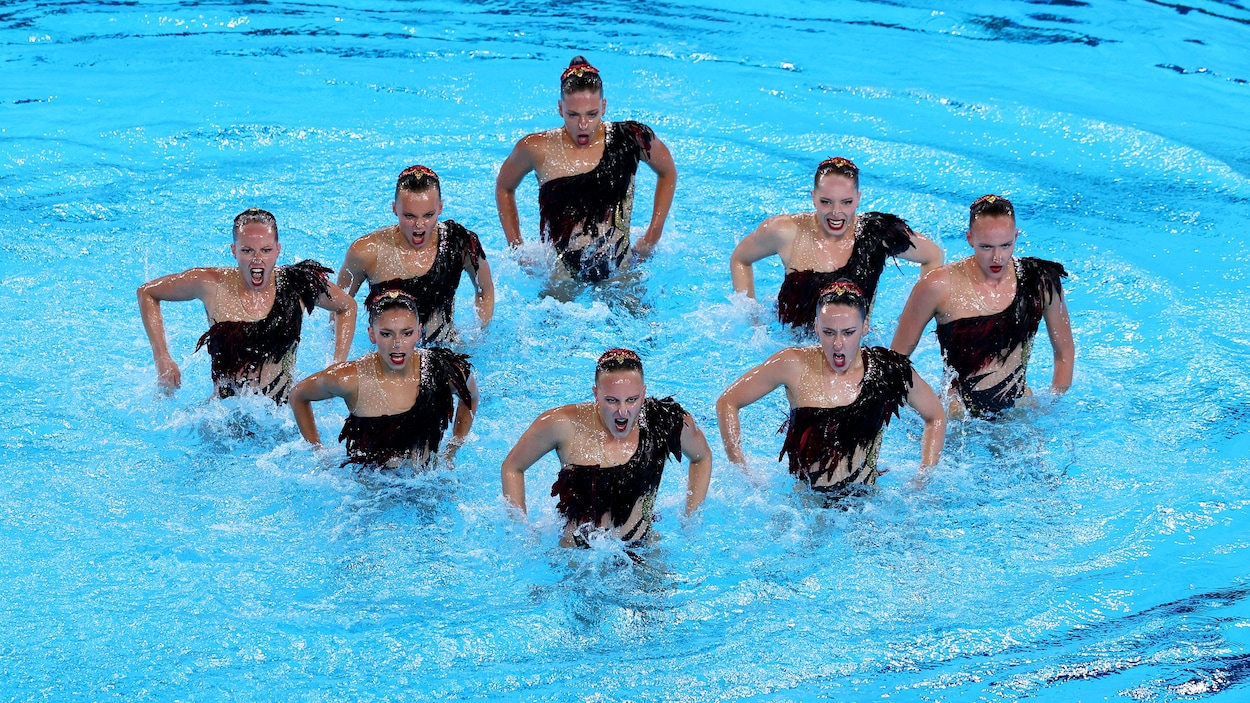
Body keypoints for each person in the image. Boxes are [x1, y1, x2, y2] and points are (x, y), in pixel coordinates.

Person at [717, 280, 945, 496]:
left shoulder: (886, 370)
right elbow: (727, 402)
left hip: (865, 502)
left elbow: (935, 415)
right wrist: (743, 472)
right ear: (816, 326)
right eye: (829, 332)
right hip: (807, 505)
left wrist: (923, 477)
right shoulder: (792, 365)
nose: (838, 344)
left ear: (865, 327)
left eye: (848, 332)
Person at [137, 208, 356, 403]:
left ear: (278, 250)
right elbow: (147, 292)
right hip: (223, 416)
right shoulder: (210, 283)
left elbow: (347, 307)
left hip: (281, 415)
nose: (257, 259)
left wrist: (336, 366)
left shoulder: (298, 284)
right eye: (247, 250)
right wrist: (162, 357)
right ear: (234, 250)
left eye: (266, 250)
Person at [500, 349, 712, 547]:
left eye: (632, 400)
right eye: (611, 400)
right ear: (596, 394)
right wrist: (522, 532)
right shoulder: (562, 425)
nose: (622, 412)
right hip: (576, 560)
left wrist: (691, 517)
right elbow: (512, 467)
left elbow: (702, 457)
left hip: (642, 550)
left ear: (644, 393)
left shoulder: (664, 421)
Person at [495, 56, 678, 283]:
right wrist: (517, 249)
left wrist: (653, 235)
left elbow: (667, 171)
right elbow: (504, 187)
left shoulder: (631, 139)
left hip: (618, 265)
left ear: (604, 106)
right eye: (573, 115)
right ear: (560, 109)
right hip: (562, 273)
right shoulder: (536, 148)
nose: (583, 125)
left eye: (592, 114)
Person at [890, 194, 1074, 418]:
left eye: (1006, 245)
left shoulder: (1039, 282)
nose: (997, 257)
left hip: (1019, 412)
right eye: (986, 247)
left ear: (1016, 236)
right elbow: (894, 361)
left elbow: (1064, 352)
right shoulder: (937, 286)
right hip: (959, 419)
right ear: (969, 239)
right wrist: (929, 411)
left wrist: (1050, 406)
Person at [729, 156, 943, 329]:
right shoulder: (786, 232)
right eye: (826, 202)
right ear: (813, 197)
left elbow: (933, 256)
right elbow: (740, 259)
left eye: (847, 202)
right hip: (789, 345)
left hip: (852, 350)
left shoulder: (877, 235)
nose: (836, 213)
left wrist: (910, 320)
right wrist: (752, 320)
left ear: (858, 198)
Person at [289, 290, 478, 468]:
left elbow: (471, 395)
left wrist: (453, 447)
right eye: (386, 334)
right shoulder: (349, 379)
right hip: (371, 486)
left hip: (426, 479)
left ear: (419, 331)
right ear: (372, 334)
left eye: (407, 333)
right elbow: (298, 395)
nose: (397, 344)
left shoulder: (442, 372)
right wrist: (318, 452)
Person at [337, 165, 494, 345]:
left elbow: (485, 291)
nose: (419, 225)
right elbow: (340, 308)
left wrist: (479, 335)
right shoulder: (366, 252)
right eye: (409, 216)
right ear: (394, 209)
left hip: (444, 351)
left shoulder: (459, 244)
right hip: (390, 359)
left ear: (440, 208)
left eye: (428, 215)